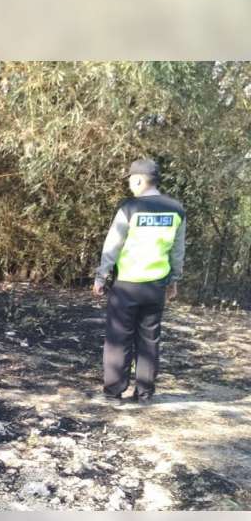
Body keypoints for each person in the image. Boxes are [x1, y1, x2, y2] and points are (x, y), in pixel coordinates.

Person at [93, 159, 186, 403]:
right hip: (155, 285)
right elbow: (177, 250)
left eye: (131, 181)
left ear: (138, 180)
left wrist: (101, 276)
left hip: (127, 284)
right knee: (149, 338)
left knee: (118, 338)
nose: (130, 186)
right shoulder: (176, 209)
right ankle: (145, 393)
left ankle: (114, 392)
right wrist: (173, 280)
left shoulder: (130, 208)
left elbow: (112, 245)